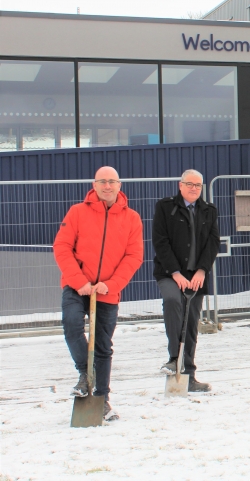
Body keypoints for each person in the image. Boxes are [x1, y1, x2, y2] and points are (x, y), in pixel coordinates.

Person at [53, 166, 143, 421]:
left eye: (111, 182)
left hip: (107, 291)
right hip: (76, 286)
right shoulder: (77, 212)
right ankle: (85, 372)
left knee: (103, 345)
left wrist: (111, 284)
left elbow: (134, 256)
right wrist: (79, 281)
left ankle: (101, 398)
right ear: (94, 185)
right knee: (72, 325)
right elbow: (62, 246)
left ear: (119, 185)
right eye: (102, 181)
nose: (107, 186)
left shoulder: (132, 218)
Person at [152, 169, 220, 392]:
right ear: (180, 185)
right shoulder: (165, 207)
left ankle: (188, 374)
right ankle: (174, 360)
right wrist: (175, 273)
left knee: (191, 324)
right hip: (170, 273)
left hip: (196, 276)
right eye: (189, 184)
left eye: (198, 185)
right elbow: (160, 241)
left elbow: (212, 243)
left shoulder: (209, 211)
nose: (194, 188)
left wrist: (202, 271)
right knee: (173, 303)